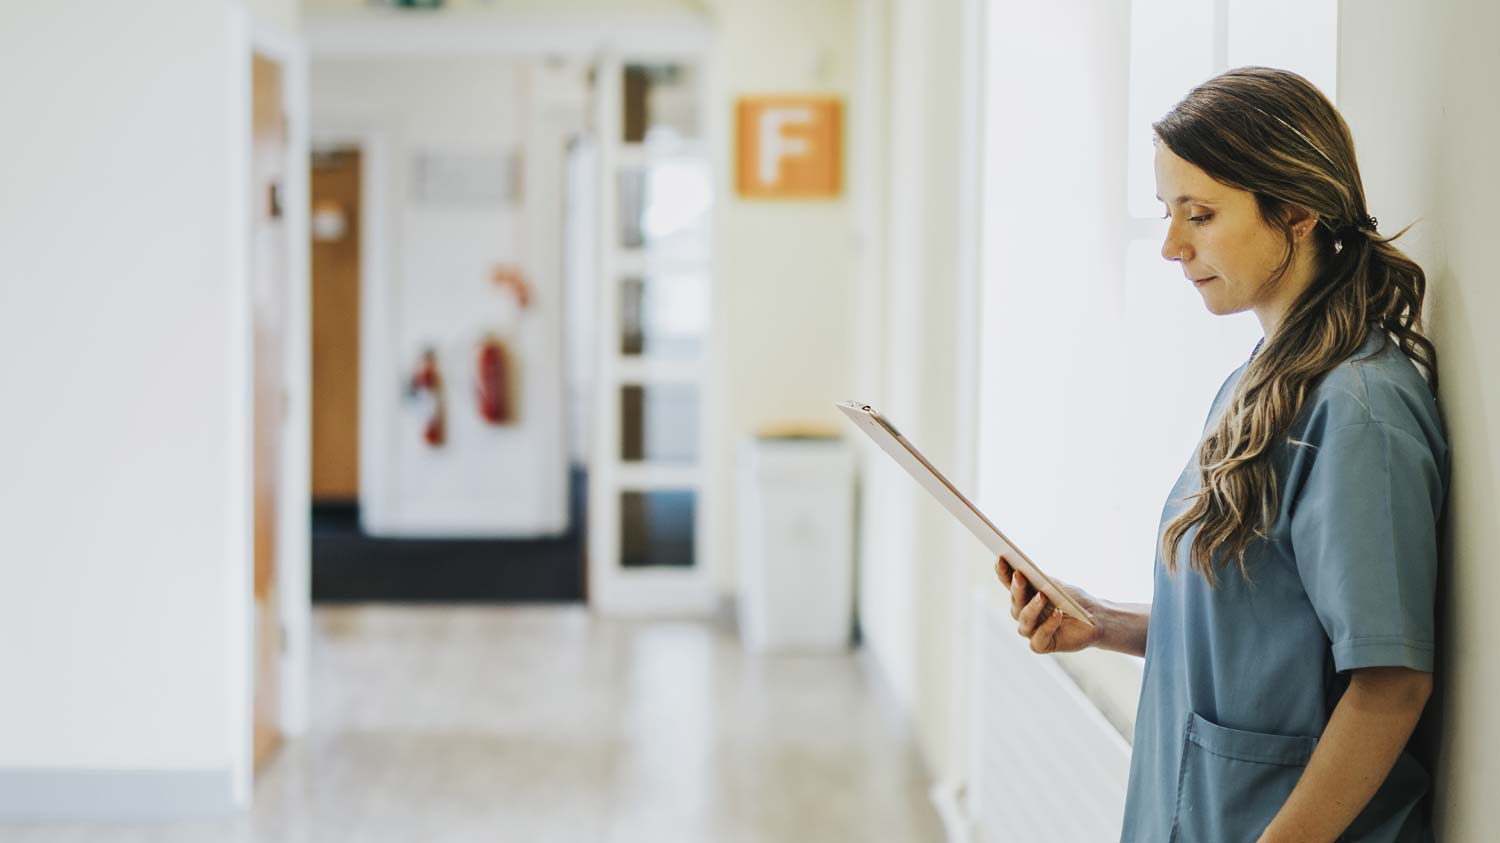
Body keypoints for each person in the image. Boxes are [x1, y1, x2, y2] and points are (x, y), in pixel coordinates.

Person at [995, 66, 1448, 843]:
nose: (1172, 245)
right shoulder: (1257, 383)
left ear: (1298, 209)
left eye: (1199, 215)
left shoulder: (1360, 414)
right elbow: (1257, 632)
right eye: (1168, 213)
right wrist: (1101, 622)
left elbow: (1390, 684)